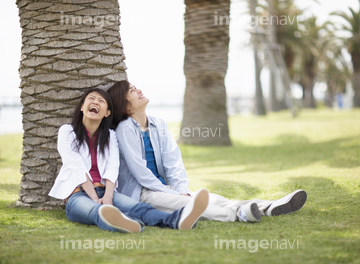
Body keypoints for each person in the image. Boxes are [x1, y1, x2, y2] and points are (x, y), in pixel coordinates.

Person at [107, 81, 308, 223]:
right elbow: (140, 172)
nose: (139, 90)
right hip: (143, 193)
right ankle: (239, 214)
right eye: (132, 91)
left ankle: (269, 207)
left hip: (165, 187)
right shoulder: (125, 129)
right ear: (125, 106)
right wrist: (173, 192)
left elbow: (173, 160)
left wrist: (180, 187)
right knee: (189, 203)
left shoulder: (158, 124)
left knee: (214, 198)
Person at [48, 88, 209, 233]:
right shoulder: (67, 132)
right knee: (96, 211)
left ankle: (176, 220)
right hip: (78, 194)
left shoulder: (110, 136)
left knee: (140, 208)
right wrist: (96, 199)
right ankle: (124, 223)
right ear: (82, 107)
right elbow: (75, 166)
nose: (95, 102)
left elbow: (112, 167)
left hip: (107, 191)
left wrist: (109, 197)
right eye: (91, 98)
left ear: (107, 113)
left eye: (101, 101)